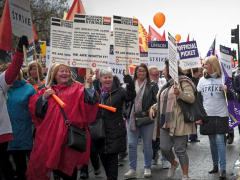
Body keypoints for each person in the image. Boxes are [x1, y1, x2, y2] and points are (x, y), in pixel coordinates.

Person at [26, 64, 99, 180]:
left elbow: (90, 101)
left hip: (69, 138)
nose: (65, 73)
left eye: (67, 71)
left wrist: (89, 87)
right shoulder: (47, 91)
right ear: (54, 75)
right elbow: (36, 112)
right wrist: (44, 98)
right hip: (52, 139)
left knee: (69, 170)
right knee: (56, 170)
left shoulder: (78, 88)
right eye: (61, 71)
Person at [150, 60, 196, 180]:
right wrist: (153, 107)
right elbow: (162, 100)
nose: (162, 72)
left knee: (180, 149)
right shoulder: (166, 84)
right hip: (165, 120)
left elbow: (191, 98)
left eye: (164, 70)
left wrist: (180, 93)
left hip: (179, 120)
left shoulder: (183, 81)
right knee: (164, 148)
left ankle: (185, 175)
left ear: (170, 71)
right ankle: (174, 163)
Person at [93, 68, 136, 180]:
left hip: (114, 132)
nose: (107, 79)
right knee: (105, 162)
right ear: (100, 79)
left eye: (109, 77)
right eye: (105, 77)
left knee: (112, 163)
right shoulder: (95, 91)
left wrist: (129, 81)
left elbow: (130, 95)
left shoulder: (119, 91)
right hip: (99, 133)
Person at [0, 36, 29, 180]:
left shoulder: (1, 82)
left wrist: (19, 51)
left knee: (6, 168)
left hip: (1, 135)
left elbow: (13, 69)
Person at [124, 63, 158, 179]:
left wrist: (153, 108)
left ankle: (147, 167)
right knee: (131, 144)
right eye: (139, 71)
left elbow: (157, 101)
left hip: (146, 118)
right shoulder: (130, 84)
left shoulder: (152, 85)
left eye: (143, 71)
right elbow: (126, 99)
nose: (141, 73)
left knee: (147, 145)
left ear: (147, 73)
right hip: (132, 118)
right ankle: (132, 169)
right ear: (135, 72)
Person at [197, 56, 229, 180]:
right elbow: (198, 100)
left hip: (221, 114)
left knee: (220, 141)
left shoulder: (223, 78)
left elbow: (232, 97)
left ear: (213, 65)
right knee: (212, 142)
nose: (204, 66)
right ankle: (215, 165)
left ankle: (223, 168)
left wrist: (227, 91)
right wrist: (199, 116)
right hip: (207, 115)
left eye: (206, 64)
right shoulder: (201, 80)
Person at [6, 70, 36, 180]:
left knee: (21, 165)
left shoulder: (29, 89)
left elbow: (36, 111)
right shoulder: (2, 88)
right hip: (4, 133)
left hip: (22, 132)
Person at [148, 66, 169, 168]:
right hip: (152, 115)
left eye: (157, 74)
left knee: (163, 139)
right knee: (153, 139)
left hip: (163, 114)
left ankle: (165, 159)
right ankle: (154, 156)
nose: (156, 76)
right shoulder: (147, 84)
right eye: (154, 75)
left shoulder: (163, 81)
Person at [186, 67, 203, 143]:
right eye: (199, 71)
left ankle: (193, 136)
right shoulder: (190, 80)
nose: (200, 73)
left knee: (194, 118)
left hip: (195, 102)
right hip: (191, 102)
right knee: (189, 119)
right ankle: (190, 136)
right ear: (195, 72)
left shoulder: (195, 79)